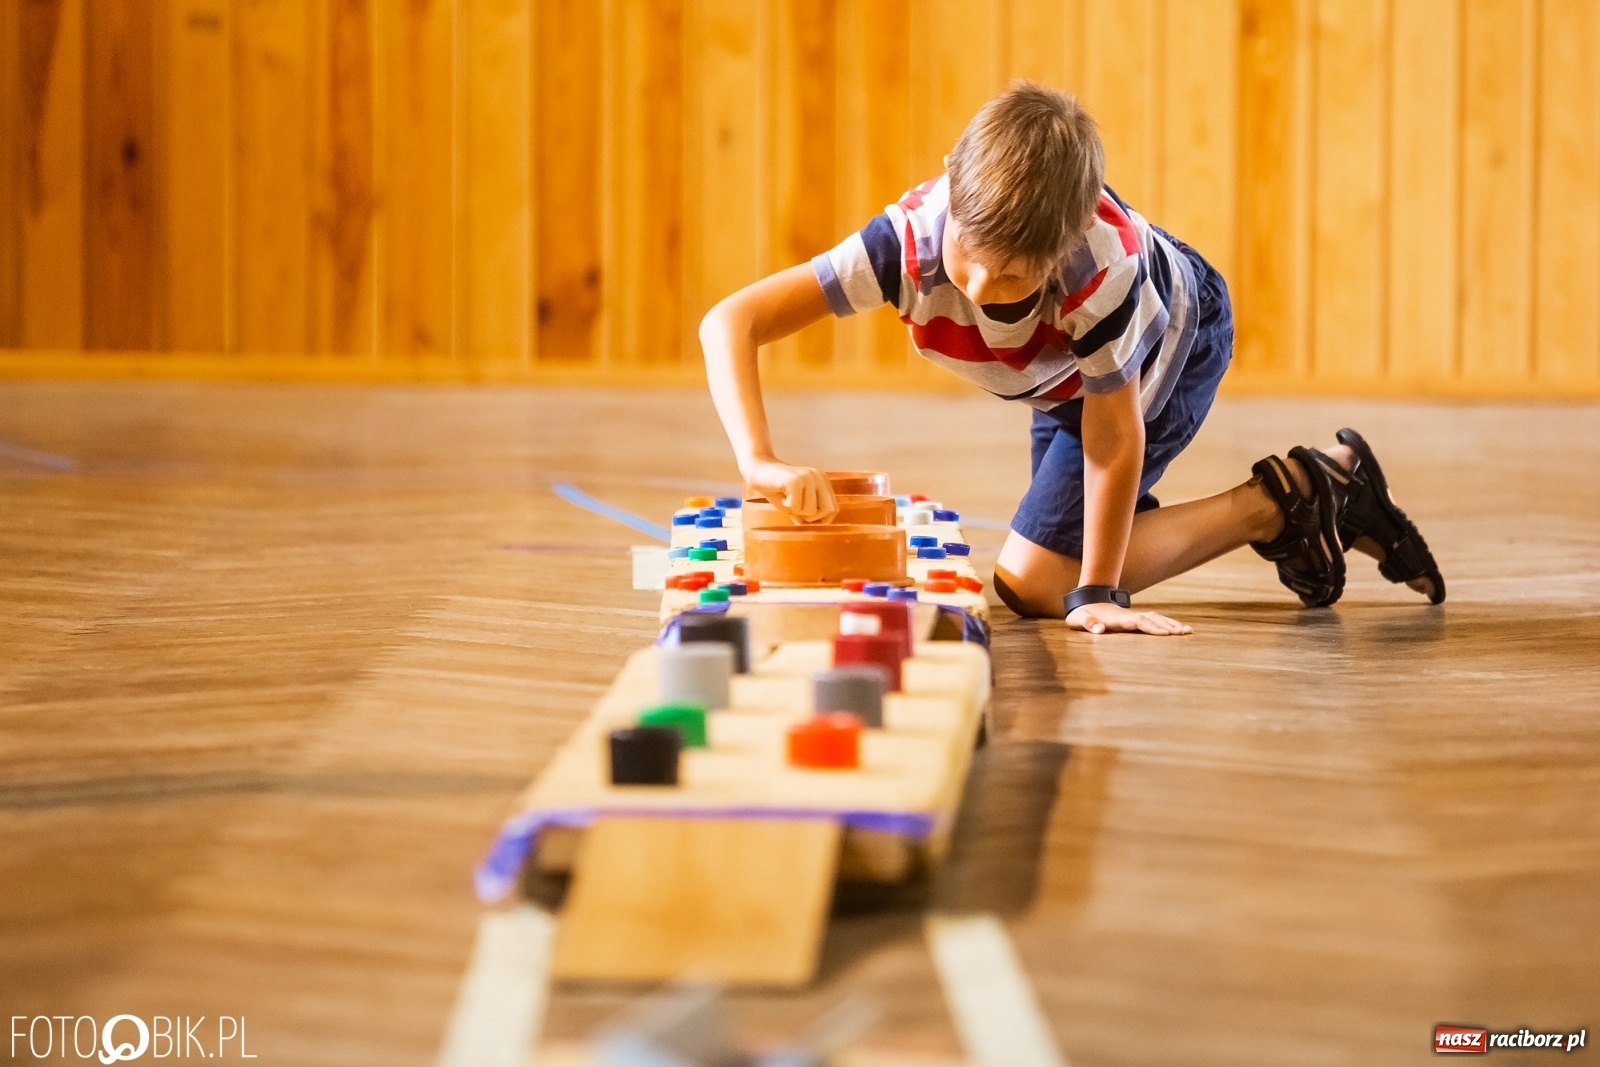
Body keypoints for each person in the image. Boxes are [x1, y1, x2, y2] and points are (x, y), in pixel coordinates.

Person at [699, 81, 1443, 635]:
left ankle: (1287, 499)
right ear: (952, 185)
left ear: (1060, 249)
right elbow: (731, 322)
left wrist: (1097, 594)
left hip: (1169, 346)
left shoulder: (1096, 272)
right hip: (1055, 382)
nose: (981, 288)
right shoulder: (907, 242)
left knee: (1034, 581)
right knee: (1052, 560)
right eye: (969, 252)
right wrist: (759, 459)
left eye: (1014, 274)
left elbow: (1115, 439)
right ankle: (1297, 498)